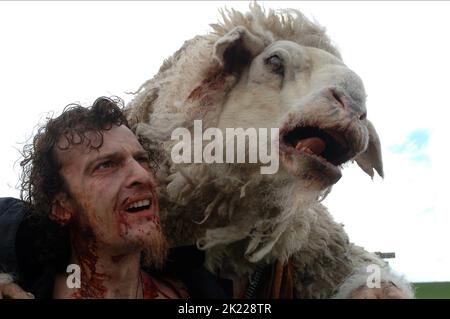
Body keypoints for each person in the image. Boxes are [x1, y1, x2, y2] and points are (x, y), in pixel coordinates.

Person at [0, 97, 191, 299]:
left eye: (141, 159)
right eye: (106, 165)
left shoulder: (208, 286)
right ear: (61, 207)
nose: (143, 176)